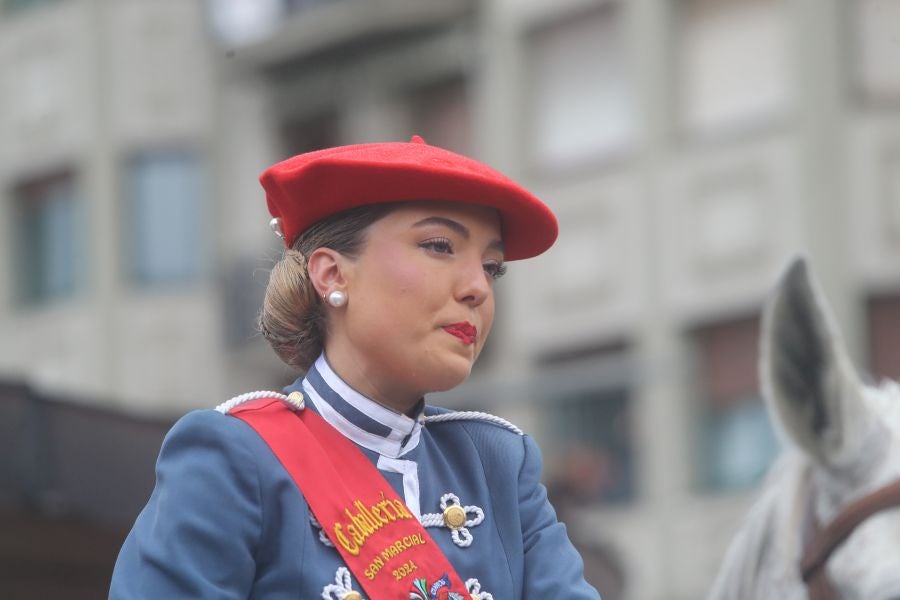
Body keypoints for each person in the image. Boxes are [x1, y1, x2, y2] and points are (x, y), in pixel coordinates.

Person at [109, 135, 601, 599]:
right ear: (332, 274)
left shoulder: (496, 462)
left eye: (492, 267)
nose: (478, 287)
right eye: (439, 246)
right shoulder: (235, 458)